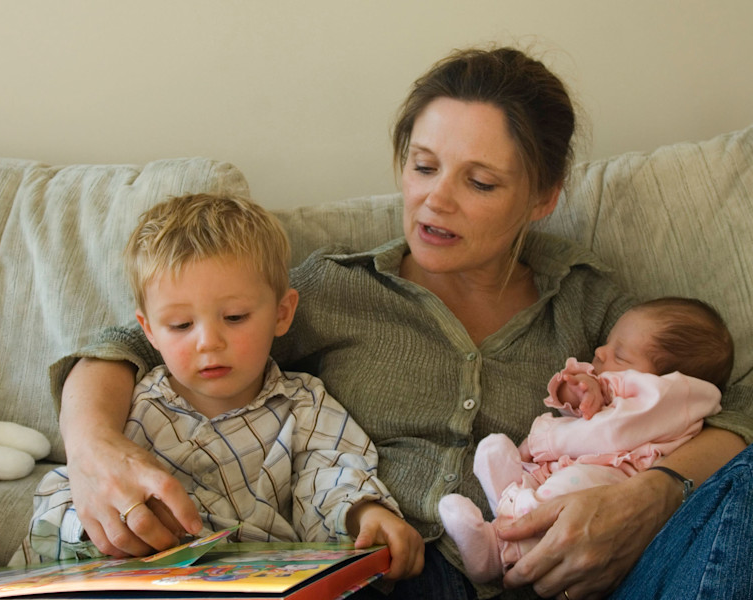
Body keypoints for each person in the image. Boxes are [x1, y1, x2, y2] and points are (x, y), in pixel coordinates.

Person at [50, 47, 752, 599]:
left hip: (573, 580)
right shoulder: (333, 289)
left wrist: (650, 497)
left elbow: (730, 412)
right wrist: (90, 448)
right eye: (422, 166)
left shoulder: (588, 301)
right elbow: (136, 344)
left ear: (542, 197)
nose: (434, 201)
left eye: (478, 183)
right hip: (387, 576)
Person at [26, 193, 423, 573]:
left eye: (234, 317)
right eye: (180, 325)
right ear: (148, 331)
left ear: (282, 314)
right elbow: (65, 497)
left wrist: (363, 514)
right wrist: (114, 524)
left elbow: (332, 474)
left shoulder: (306, 405)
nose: (208, 342)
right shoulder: (131, 408)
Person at [439, 297, 731, 584]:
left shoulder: (670, 397)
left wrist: (543, 440)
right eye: (607, 343)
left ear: (672, 376)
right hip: (586, 462)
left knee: (567, 493)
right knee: (533, 470)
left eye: (620, 355)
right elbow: (589, 412)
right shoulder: (628, 387)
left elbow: (612, 431)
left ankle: (498, 551)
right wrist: (577, 392)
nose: (600, 352)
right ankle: (506, 497)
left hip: (614, 477)